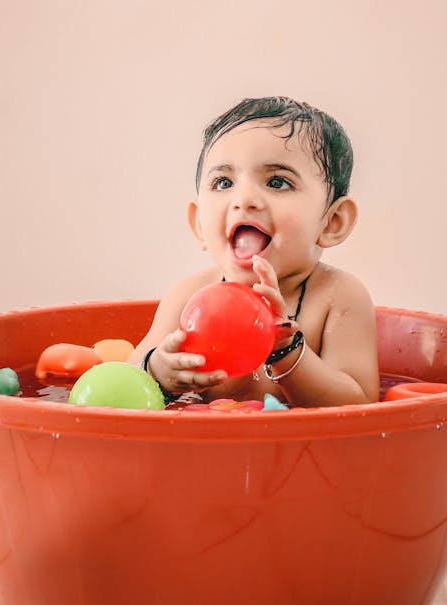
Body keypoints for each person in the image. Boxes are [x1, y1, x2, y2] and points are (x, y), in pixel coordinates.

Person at [130, 97, 380, 407]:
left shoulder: (338, 297)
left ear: (332, 222)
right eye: (223, 182)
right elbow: (127, 382)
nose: (244, 199)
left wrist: (287, 352)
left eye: (277, 182)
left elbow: (359, 404)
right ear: (198, 224)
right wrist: (158, 372)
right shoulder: (189, 298)